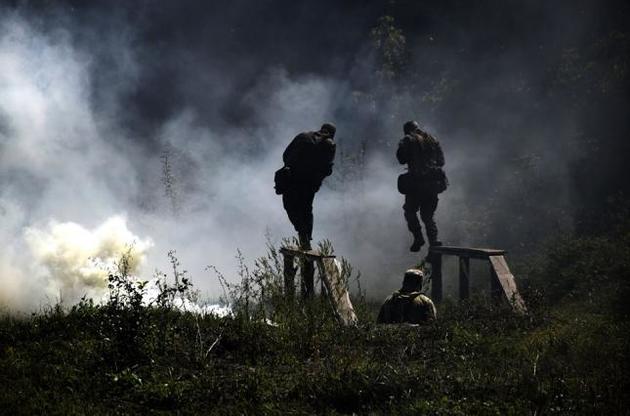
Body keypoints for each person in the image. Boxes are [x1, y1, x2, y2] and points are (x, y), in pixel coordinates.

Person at [277, 123, 336, 250]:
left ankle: (302, 234)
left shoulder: (303, 136)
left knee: (290, 206)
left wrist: (291, 166)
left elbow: (286, 155)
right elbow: (327, 168)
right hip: (308, 184)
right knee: (306, 210)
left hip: (291, 180)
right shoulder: (329, 144)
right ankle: (305, 238)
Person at [396, 120, 447, 252]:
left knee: (409, 211)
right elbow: (441, 161)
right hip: (432, 184)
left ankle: (418, 238)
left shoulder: (408, 140)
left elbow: (401, 159)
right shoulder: (432, 139)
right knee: (428, 216)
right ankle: (434, 243)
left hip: (416, 185)